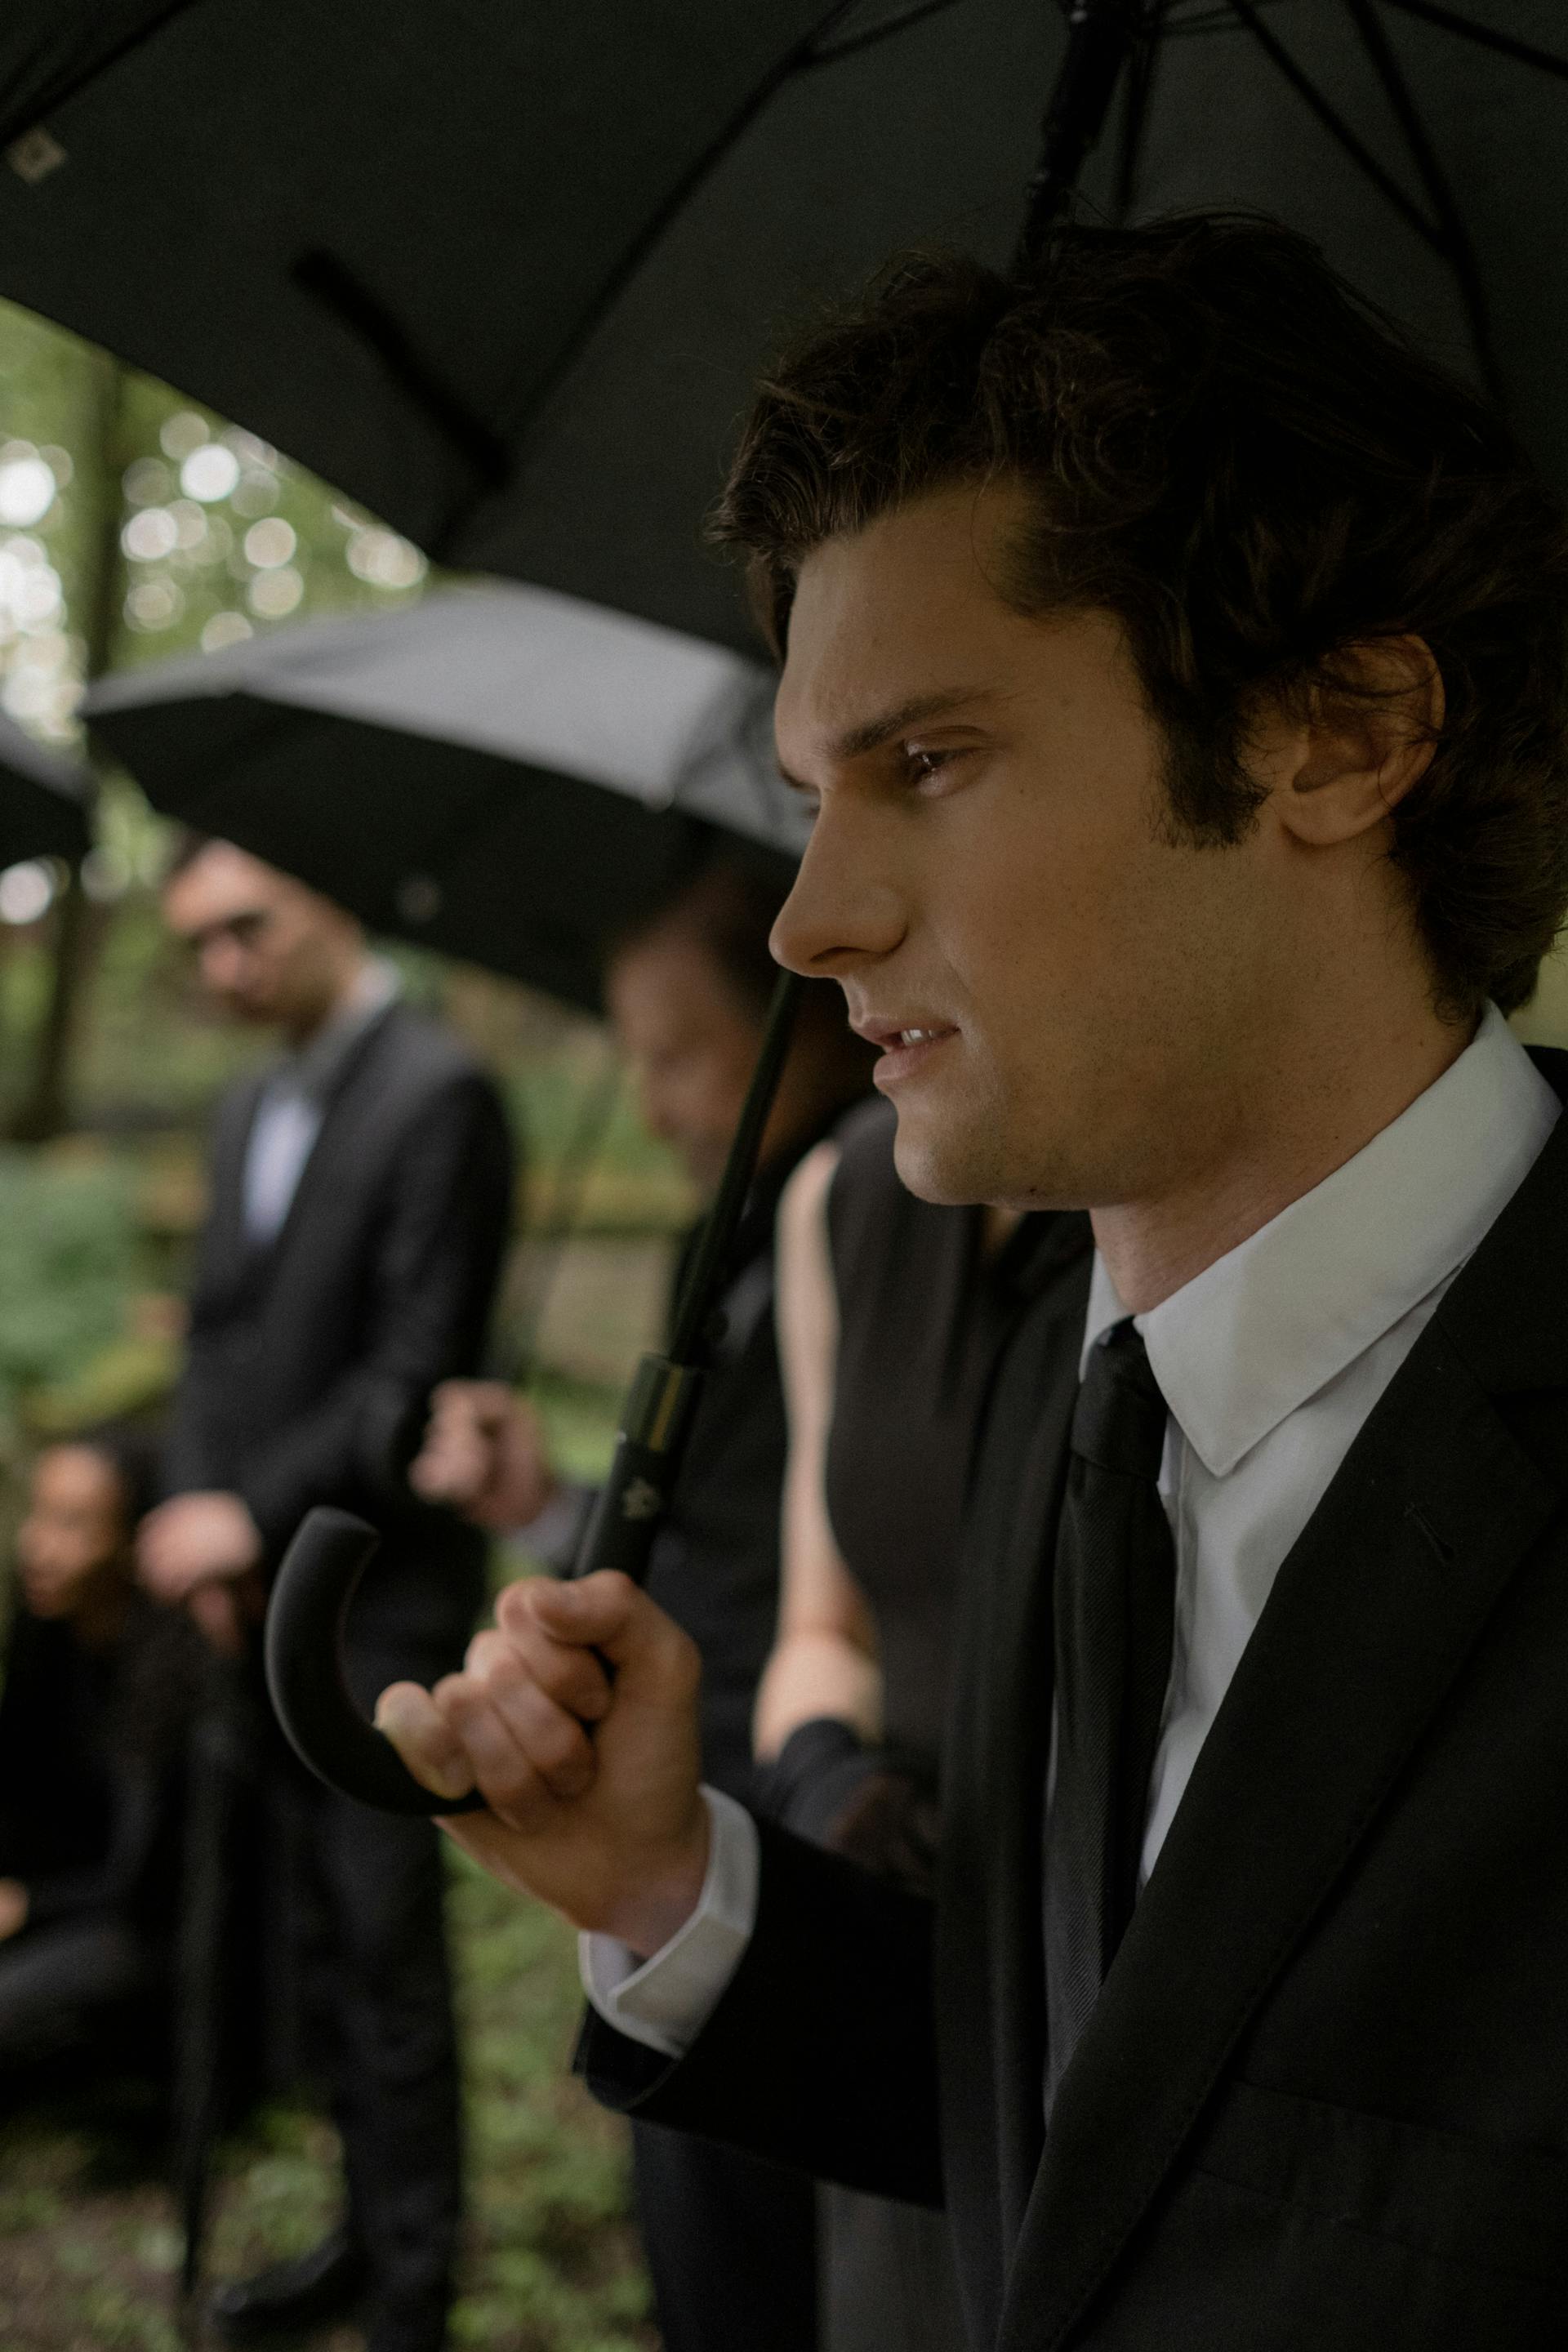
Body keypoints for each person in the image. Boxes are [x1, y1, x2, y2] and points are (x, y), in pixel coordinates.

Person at [376, 216, 1568, 2350]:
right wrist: (673, 1888)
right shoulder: (1055, 1390)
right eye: (806, 797)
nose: (810, 921)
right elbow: (1123, 2144)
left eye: (927, 763)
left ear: (1343, 732)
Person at [413, 854, 871, 2352]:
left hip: (793, 1812)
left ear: (806, 1012)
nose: (659, 1096)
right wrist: (542, 1505)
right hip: (672, 1819)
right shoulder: (718, 1240)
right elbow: (692, 1545)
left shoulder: (875, 1216)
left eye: (678, 1050)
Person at [145, 839, 514, 2352]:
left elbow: (410, 1371)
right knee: (306, 1940)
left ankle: (419, 2286)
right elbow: (216, 1347)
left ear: (329, 894)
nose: (224, 965)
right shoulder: (247, 1105)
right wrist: (194, 1512)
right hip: (257, 1603)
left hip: (385, 1606)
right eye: (198, 946)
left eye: (247, 926)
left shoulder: (441, 1095)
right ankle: (362, 2238)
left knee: (386, 1947)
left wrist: (250, 1517)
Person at [0, 1427, 198, 2089]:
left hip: (141, 1932)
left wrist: (30, 1907)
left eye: (74, 1524)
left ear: (134, 1541)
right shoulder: (48, 1632)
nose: (38, 1547)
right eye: (40, 1513)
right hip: (58, 1901)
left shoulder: (178, 1674)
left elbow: (146, 1881)